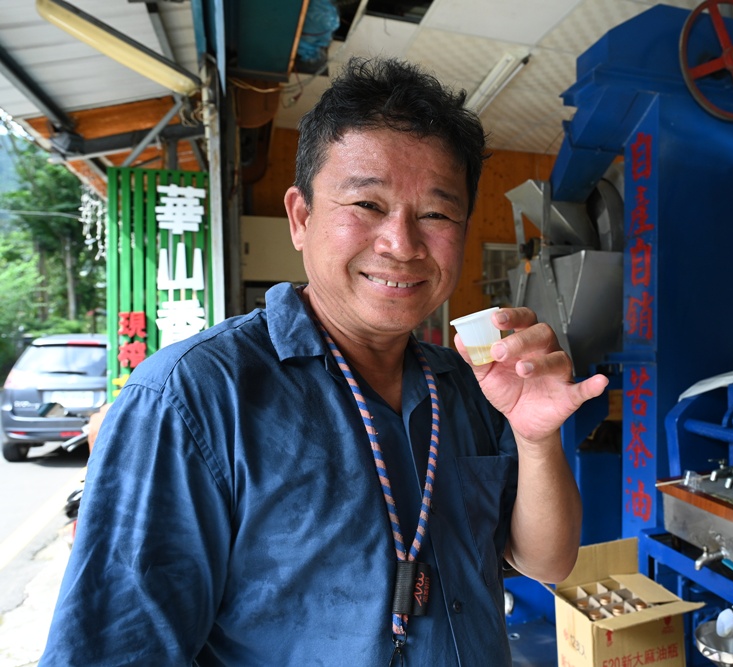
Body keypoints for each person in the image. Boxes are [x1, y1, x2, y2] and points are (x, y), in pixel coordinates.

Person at [40, 57, 608, 666]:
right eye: (367, 204)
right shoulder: (192, 398)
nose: (402, 243)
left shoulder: (466, 387)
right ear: (301, 217)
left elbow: (546, 562)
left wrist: (535, 437)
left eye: (438, 214)